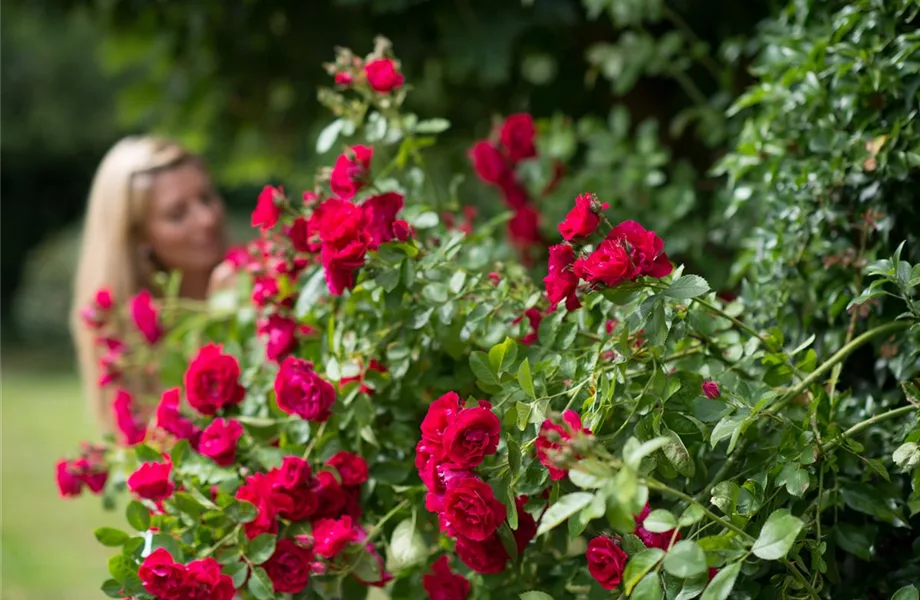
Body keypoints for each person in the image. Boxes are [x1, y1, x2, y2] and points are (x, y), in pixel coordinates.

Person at [70, 135, 234, 431]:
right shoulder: (131, 342)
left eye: (206, 197)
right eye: (177, 214)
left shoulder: (258, 281)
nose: (207, 218)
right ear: (139, 237)